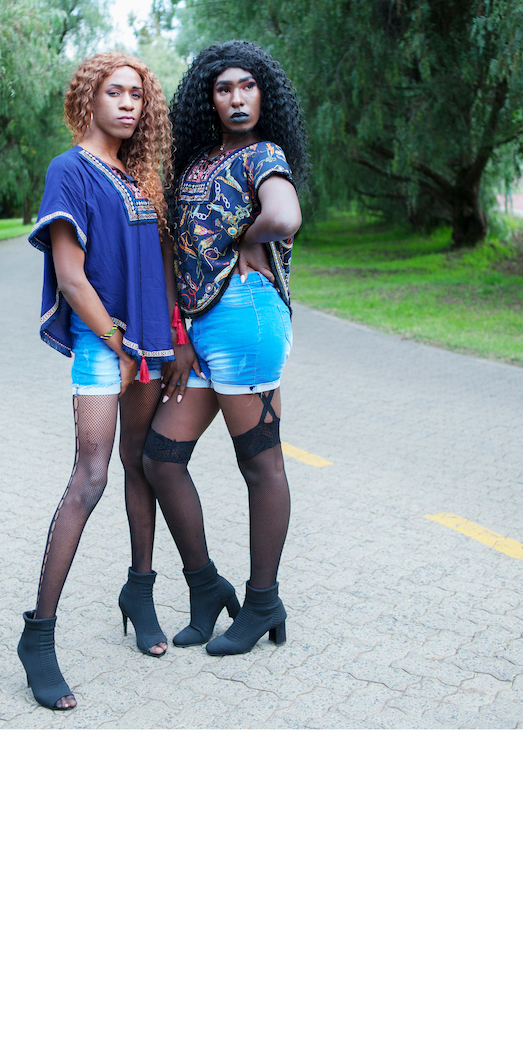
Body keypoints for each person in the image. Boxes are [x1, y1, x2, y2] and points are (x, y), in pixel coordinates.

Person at [17, 52, 184, 712]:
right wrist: (118, 342)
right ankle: (38, 636)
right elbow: (70, 276)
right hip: (103, 344)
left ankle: (139, 591)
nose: (127, 104)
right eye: (114, 91)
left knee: (141, 464)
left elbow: (165, 259)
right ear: (90, 96)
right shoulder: (70, 171)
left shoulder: (142, 175)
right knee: (91, 476)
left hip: (149, 343)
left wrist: (171, 338)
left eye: (137, 96)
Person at [142, 39, 306, 658]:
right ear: (207, 98)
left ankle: (263, 600)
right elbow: (171, 244)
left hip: (247, 321)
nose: (237, 98)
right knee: (161, 458)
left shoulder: (265, 154)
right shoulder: (193, 163)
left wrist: (245, 236)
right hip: (199, 329)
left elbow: (284, 215)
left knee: (259, 465)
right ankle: (206, 586)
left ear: (264, 94)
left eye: (248, 86)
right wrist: (178, 337)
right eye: (223, 88)